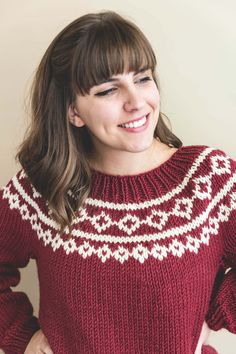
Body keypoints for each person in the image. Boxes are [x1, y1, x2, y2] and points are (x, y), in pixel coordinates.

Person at [0, 10, 235, 354]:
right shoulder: (42, 189)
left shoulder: (208, 180)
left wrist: (215, 311)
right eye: (108, 90)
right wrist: (24, 338)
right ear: (73, 111)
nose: (136, 102)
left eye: (142, 78)